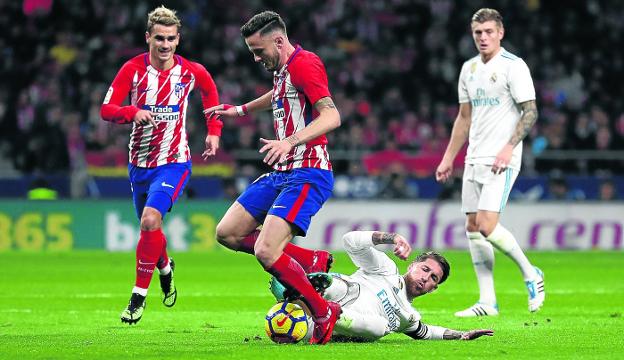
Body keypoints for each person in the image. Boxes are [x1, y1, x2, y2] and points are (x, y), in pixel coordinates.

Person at [206, 11, 341, 344]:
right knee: (228, 233)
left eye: (258, 50)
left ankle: (323, 311)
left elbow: (332, 115)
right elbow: (279, 96)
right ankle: (310, 260)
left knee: (267, 252)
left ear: (279, 41)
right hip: (282, 172)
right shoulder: (282, 70)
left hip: (308, 171)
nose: (255, 57)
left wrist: (290, 141)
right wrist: (240, 110)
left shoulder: (305, 64)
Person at [100, 6, 222, 324]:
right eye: (159, 38)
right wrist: (131, 112)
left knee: (150, 220)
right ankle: (166, 268)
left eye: (170, 39)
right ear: (148, 38)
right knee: (149, 225)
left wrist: (213, 132)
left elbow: (210, 92)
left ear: (178, 40)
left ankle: (137, 299)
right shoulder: (132, 70)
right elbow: (106, 109)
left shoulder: (191, 72)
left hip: (174, 162)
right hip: (139, 164)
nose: (165, 45)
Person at [435, 8, 544, 317]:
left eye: (488, 32)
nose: (483, 38)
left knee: (486, 225)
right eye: (478, 33)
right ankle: (487, 301)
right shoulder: (468, 68)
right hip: (474, 157)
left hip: (502, 158)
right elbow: (464, 117)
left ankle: (531, 273)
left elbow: (531, 111)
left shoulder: (514, 66)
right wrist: (448, 158)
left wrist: (509, 147)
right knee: (472, 226)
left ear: (500, 33)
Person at [271, 231, 494, 342]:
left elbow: (427, 332)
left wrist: (462, 335)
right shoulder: (386, 269)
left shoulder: (410, 317)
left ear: (432, 289)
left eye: (434, 278)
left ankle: (312, 302)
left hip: (323, 328)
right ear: (412, 266)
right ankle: (307, 287)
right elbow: (350, 241)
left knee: (381, 327)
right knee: (343, 287)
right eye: (425, 269)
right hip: (343, 293)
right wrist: (392, 237)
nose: (426, 278)